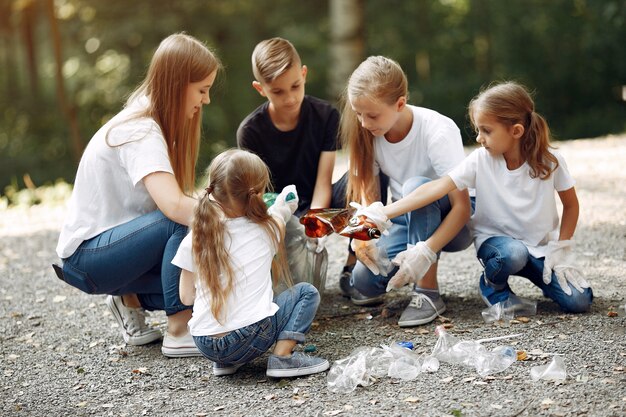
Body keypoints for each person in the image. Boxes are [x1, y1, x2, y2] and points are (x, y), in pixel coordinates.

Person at [53, 33, 221, 357]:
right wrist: (230, 216)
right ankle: (179, 330)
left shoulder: (151, 123)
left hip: (114, 252)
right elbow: (174, 207)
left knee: (208, 286)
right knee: (180, 221)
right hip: (87, 256)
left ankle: (129, 298)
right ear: (178, 84)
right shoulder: (141, 130)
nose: (206, 100)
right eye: (202, 90)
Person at [359, 81, 592, 313]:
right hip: (498, 247)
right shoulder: (480, 160)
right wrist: (383, 212)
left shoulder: (551, 161)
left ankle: (541, 279)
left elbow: (571, 206)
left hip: (539, 250)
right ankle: (493, 286)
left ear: (517, 131)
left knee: (579, 301)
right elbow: (437, 188)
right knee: (513, 253)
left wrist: (562, 249)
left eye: (486, 131)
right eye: (478, 130)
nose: (479, 138)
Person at [172, 149, 330, 377]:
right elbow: (280, 213)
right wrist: (285, 204)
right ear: (257, 193)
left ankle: (224, 362)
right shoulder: (268, 228)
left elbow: (186, 298)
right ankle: (283, 358)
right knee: (306, 292)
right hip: (251, 336)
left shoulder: (196, 237)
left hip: (204, 342)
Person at [340, 56, 472, 326]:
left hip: (454, 224)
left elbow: (463, 208)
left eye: (372, 115)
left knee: (416, 186)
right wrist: (363, 236)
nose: (364, 123)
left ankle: (427, 292)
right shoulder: (369, 132)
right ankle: (412, 265)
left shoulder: (437, 131)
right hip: (406, 219)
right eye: (358, 113)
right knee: (364, 281)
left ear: (400, 103)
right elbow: (371, 200)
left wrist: (425, 252)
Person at [236, 37, 366, 294]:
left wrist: (314, 222)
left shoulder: (326, 116)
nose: (290, 98)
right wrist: (290, 224)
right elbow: (257, 197)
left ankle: (355, 264)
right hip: (278, 210)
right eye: (278, 92)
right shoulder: (250, 131)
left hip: (318, 202)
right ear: (260, 89)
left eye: (295, 86)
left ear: (304, 74)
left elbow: (323, 180)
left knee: (364, 177)